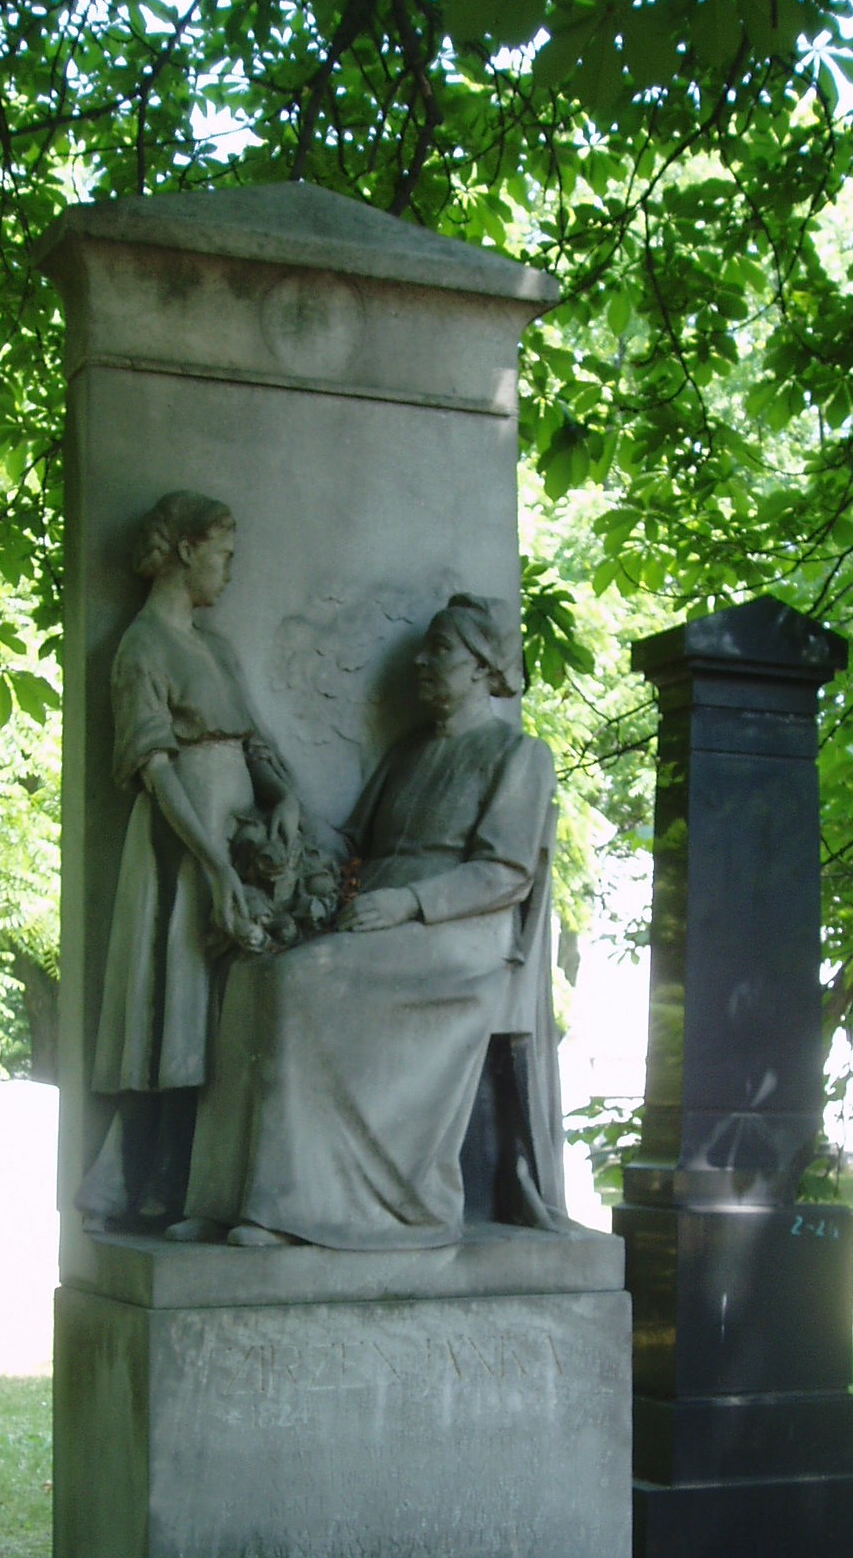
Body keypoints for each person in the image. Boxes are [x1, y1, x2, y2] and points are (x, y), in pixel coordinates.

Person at [178, 594, 569, 1250]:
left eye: (439, 650)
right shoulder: (410, 753)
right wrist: (287, 812)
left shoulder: (517, 754)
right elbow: (352, 843)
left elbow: (505, 872)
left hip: (459, 936)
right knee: (250, 976)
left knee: (301, 981)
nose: (420, 661)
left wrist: (410, 903)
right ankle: (226, 1200)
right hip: (379, 919)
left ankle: (291, 1208)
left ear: (482, 666)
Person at [76, 492, 299, 1227]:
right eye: (223, 555)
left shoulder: (218, 649)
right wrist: (213, 865)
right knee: (173, 1005)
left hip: (236, 837)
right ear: (185, 551)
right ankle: (153, 1179)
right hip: (181, 845)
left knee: (214, 1011)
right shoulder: (142, 647)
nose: (229, 572)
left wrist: (284, 800)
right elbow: (155, 769)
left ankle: (194, 1177)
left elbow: (255, 745)